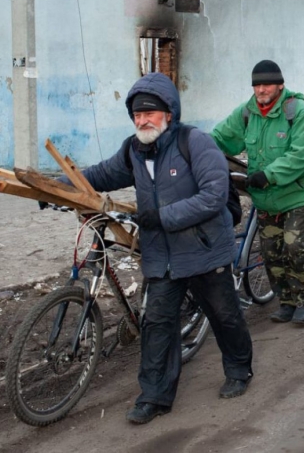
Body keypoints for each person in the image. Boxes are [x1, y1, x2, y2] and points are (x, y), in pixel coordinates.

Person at [69, 72, 253, 424]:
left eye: (150, 113)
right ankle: (154, 397)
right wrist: (52, 188)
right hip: (163, 257)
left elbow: (213, 196)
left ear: (169, 112)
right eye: (137, 114)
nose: (142, 120)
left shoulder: (194, 142)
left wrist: (161, 217)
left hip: (203, 250)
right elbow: (99, 175)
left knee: (224, 315)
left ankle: (239, 370)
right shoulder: (133, 150)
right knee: (158, 324)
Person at [211, 60, 304, 325]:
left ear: (280, 85)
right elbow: (220, 137)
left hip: (297, 195)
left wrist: (269, 175)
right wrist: (194, 149)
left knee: (295, 246)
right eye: (257, 84)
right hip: (266, 199)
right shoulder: (247, 113)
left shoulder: (299, 113)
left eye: (267, 84)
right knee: (272, 252)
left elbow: (301, 155)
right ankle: (286, 302)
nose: (261, 89)